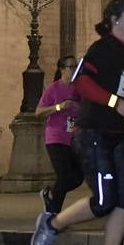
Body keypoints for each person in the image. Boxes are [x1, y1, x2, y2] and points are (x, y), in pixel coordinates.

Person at [31, 0, 124, 245]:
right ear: (114, 19)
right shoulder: (103, 47)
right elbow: (81, 82)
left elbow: (120, 92)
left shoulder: (123, 54)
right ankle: (52, 224)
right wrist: (117, 102)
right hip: (93, 134)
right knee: (104, 201)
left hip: (117, 134)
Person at [37, 56, 83, 214]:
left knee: (78, 178)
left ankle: (49, 194)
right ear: (62, 69)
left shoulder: (79, 89)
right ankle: (53, 212)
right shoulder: (53, 89)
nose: (74, 69)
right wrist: (59, 107)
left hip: (73, 139)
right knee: (64, 176)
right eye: (71, 67)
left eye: (76, 66)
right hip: (56, 137)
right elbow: (39, 112)